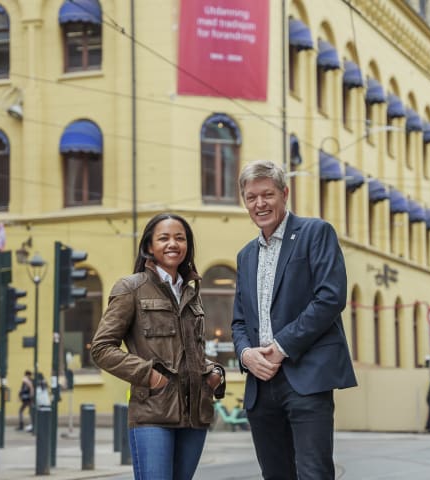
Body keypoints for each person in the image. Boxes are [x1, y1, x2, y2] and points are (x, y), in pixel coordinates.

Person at [231, 160, 358, 480]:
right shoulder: (245, 255)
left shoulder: (315, 232)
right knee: (275, 475)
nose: (259, 204)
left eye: (267, 194)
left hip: (306, 377)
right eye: (251, 197)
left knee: (313, 473)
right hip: (260, 385)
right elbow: (239, 322)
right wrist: (247, 355)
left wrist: (281, 346)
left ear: (284, 194)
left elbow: (330, 298)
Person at [92, 213, 226, 480]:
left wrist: (213, 374)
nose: (173, 244)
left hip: (195, 415)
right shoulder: (131, 288)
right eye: (163, 238)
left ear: (187, 245)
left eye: (180, 238)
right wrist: (151, 377)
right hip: (152, 414)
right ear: (149, 247)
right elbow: (101, 348)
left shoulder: (191, 293)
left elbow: (191, 352)